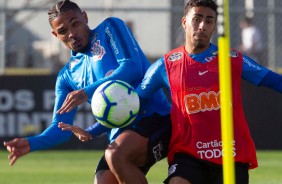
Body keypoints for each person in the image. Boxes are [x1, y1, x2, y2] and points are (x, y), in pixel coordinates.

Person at [3, 1, 171, 184]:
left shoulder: (110, 27)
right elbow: (61, 129)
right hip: (121, 134)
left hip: (156, 119)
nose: (72, 34)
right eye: (63, 31)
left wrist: (86, 92)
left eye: (75, 23)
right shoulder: (67, 76)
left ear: (85, 17)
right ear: (55, 35)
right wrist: (32, 143)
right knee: (102, 180)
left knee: (116, 155)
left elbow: (132, 67)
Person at [135, 0, 282, 184]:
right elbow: (135, 100)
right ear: (184, 22)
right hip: (188, 154)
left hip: (231, 153)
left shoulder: (231, 59)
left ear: (214, 27)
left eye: (209, 20)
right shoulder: (165, 65)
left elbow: (275, 80)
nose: (203, 25)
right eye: (197, 19)